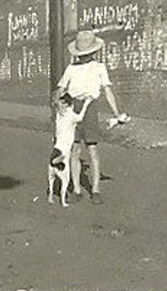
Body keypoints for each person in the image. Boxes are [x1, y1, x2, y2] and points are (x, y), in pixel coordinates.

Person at [51, 29, 127, 205]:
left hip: (90, 108)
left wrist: (117, 113)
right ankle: (76, 189)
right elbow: (59, 90)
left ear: (93, 52)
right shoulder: (71, 68)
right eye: (82, 54)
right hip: (72, 108)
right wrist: (58, 104)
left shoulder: (99, 68)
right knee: (75, 149)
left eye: (87, 53)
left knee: (92, 148)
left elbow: (107, 91)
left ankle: (95, 189)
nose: (84, 56)